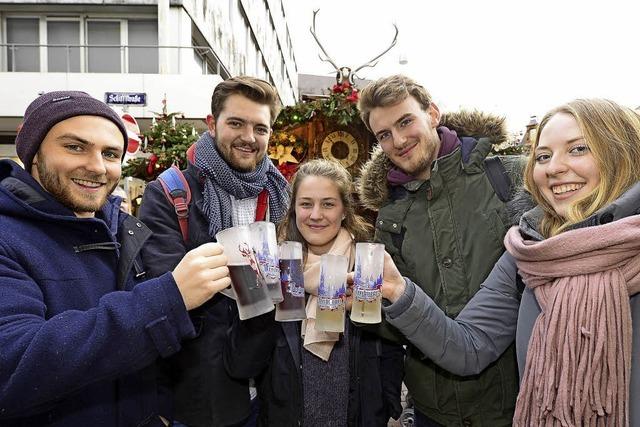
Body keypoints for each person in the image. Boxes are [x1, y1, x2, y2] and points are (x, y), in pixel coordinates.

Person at [378, 98, 640, 426]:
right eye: (543, 156)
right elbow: (468, 346)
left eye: (578, 149)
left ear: (622, 152)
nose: (554, 167)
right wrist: (399, 292)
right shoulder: (527, 254)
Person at [0, 91, 231, 426]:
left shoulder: (121, 230)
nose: (96, 167)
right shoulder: (8, 237)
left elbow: (144, 357)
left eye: (110, 153)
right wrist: (170, 297)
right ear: (35, 153)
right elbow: (15, 366)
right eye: (75, 146)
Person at [356, 74, 522, 426]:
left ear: (432, 113)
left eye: (405, 121)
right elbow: (397, 327)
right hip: (435, 411)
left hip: (514, 404)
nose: (398, 140)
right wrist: (367, 306)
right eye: (384, 134)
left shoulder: (509, 177)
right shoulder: (389, 215)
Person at [138, 76, 290, 427]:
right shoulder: (171, 193)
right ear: (212, 123)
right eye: (236, 123)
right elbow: (170, 290)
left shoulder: (282, 195)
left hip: (274, 387)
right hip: (205, 394)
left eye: (260, 128)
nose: (248, 137)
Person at [225, 159, 405, 426]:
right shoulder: (273, 266)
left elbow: (391, 344)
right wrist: (262, 304)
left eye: (328, 204)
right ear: (294, 209)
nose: (316, 214)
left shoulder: (368, 265)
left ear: (344, 210)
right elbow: (241, 364)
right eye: (306, 203)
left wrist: (387, 405)